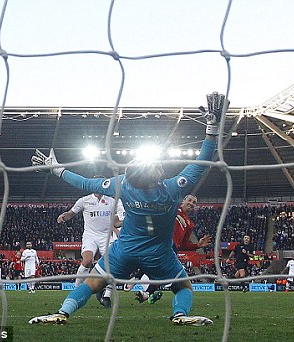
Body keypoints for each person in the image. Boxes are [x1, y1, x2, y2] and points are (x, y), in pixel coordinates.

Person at [29, 91, 227, 326]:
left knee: (92, 283)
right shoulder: (174, 188)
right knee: (183, 286)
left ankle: (63, 312)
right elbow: (201, 164)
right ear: (159, 173)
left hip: (124, 250)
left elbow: (84, 182)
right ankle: (180, 315)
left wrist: (56, 169)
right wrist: (212, 131)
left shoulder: (123, 185)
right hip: (160, 254)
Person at [57, 179, 125, 308]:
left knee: (112, 266)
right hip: (90, 236)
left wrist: (117, 226)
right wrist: (64, 216)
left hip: (106, 236)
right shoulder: (84, 200)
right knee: (87, 261)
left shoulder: (113, 201)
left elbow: (120, 218)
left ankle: (106, 296)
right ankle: (75, 292)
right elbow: (71, 213)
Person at [133, 194, 212, 304]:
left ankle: (144, 289)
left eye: (194, 203)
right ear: (183, 201)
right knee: (156, 266)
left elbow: (183, 245)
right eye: (189, 200)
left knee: (161, 271)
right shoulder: (173, 209)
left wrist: (197, 245)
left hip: (172, 248)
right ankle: (138, 281)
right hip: (162, 240)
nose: (191, 204)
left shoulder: (190, 223)